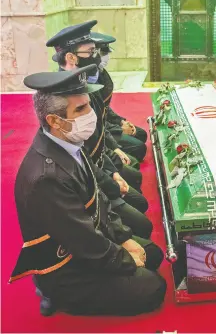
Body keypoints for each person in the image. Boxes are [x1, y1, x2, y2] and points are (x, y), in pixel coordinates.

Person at [9, 66, 166, 316]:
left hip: (87, 239)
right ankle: (55, 295)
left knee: (153, 255)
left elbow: (99, 199)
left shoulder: (67, 141)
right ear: (54, 121)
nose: (91, 113)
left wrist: (124, 237)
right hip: (67, 268)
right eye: (81, 109)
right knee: (155, 287)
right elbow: (83, 241)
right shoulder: (46, 178)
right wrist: (125, 260)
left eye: (88, 105)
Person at [46, 21, 151, 237]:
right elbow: (81, 159)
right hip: (91, 183)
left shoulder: (87, 84)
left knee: (137, 186)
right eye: (91, 51)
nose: (97, 56)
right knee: (142, 220)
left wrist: (112, 168)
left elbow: (100, 127)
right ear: (71, 57)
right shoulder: (63, 99)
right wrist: (111, 178)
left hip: (101, 165)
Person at [92, 32, 148, 162]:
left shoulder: (99, 72)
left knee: (141, 134)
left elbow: (104, 107)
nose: (106, 58)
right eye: (102, 53)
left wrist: (121, 122)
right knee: (139, 148)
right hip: (98, 130)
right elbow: (94, 120)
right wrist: (117, 129)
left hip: (106, 123)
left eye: (106, 54)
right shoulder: (88, 78)